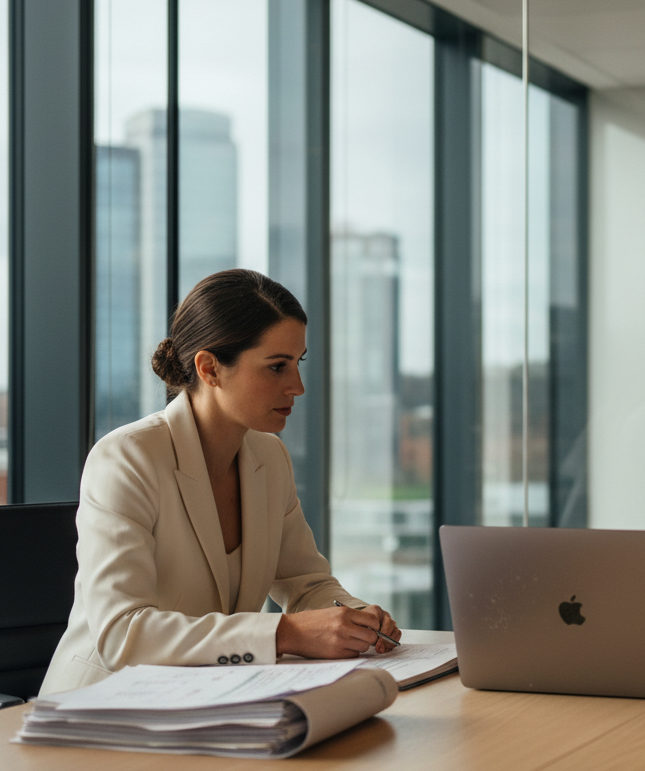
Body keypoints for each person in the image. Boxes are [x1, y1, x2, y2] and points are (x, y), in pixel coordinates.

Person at [41, 269, 400, 695]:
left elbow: (307, 584)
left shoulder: (269, 457)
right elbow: (123, 633)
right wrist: (283, 634)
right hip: (98, 711)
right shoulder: (127, 458)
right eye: (277, 367)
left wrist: (357, 617)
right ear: (209, 368)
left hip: (209, 701)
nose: (298, 386)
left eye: (298, 363)